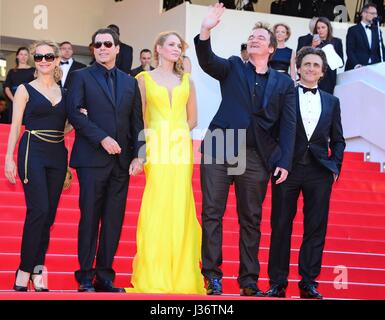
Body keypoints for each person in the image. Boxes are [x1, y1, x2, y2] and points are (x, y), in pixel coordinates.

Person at [195, 3, 296, 296]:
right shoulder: (233, 67)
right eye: (251, 37)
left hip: (255, 155)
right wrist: (205, 29)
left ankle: (249, 281)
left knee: (250, 218)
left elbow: (288, 126)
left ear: (271, 49)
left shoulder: (284, 83)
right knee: (212, 213)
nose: (253, 40)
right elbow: (207, 60)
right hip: (220, 146)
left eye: (260, 38)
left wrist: (285, 161)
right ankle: (212, 276)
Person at [66, 28, 145, 292]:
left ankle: (105, 276)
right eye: (97, 44)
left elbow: (137, 122)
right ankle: (86, 276)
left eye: (107, 44)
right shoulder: (80, 77)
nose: (102, 48)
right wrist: (102, 138)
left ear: (117, 48)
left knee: (113, 220)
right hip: (91, 159)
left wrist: (139, 154)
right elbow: (75, 114)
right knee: (89, 217)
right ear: (93, 48)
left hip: (121, 163)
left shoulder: (129, 81)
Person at [126, 31, 205, 295]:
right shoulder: (142, 79)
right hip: (156, 146)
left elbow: (192, 118)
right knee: (158, 202)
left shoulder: (187, 81)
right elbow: (141, 116)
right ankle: (155, 272)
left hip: (180, 147)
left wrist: (177, 133)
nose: (176, 49)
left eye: (179, 46)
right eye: (171, 44)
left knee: (180, 203)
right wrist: (145, 147)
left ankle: (180, 273)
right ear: (158, 48)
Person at [265, 47, 345, 299]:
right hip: (287, 169)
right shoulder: (285, 94)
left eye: (316, 66)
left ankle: (308, 282)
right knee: (280, 225)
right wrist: (276, 160)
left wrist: (335, 167)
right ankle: (277, 283)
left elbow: (339, 139)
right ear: (298, 68)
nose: (311, 68)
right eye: (307, 64)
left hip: (320, 172)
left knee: (315, 228)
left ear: (322, 73)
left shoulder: (332, 102)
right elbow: (271, 131)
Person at [4, 40, 71, 292]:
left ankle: (38, 269)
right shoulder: (24, 89)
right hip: (32, 151)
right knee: (39, 210)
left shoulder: (65, 93)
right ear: (34, 60)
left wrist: (79, 119)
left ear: (56, 60)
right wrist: (9, 157)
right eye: (39, 56)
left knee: (49, 216)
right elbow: (15, 126)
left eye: (49, 56)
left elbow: (64, 125)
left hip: (57, 154)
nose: (44, 60)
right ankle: (24, 269)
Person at [298, 17, 344, 94]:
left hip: (329, 77)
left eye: (323, 27)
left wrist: (332, 55)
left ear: (328, 28)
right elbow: (302, 57)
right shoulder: (310, 40)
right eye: (318, 28)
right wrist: (313, 46)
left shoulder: (336, 42)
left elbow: (341, 63)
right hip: (313, 75)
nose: (320, 30)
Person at [345, 3, 385, 71]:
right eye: (372, 13)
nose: (375, 16)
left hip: (374, 67)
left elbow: (381, 49)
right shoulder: (353, 30)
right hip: (357, 67)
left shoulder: (377, 30)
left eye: (376, 14)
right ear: (363, 14)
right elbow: (350, 50)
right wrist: (356, 64)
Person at [3, 47, 35, 123]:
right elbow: (7, 87)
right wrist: (14, 100)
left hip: (28, 103)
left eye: (25, 55)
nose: (23, 57)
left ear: (28, 57)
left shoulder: (33, 70)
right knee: (14, 123)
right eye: (21, 54)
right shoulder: (12, 71)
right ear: (17, 56)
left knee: (27, 124)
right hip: (13, 102)